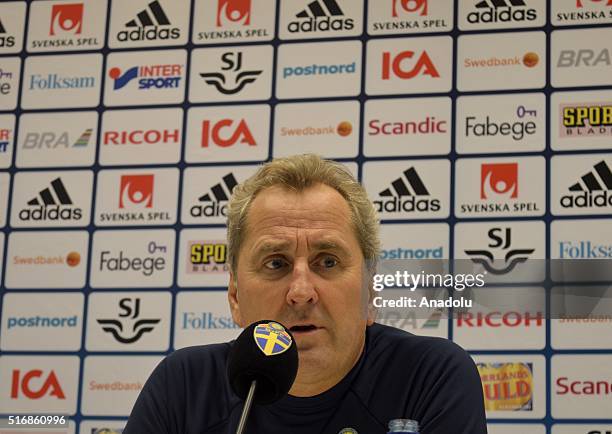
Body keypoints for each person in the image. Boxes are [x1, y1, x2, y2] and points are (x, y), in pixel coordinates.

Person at [124, 154, 487, 434]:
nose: (300, 292)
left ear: (370, 293)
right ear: (235, 296)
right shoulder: (185, 388)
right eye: (275, 263)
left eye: (327, 262)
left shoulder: (429, 378)